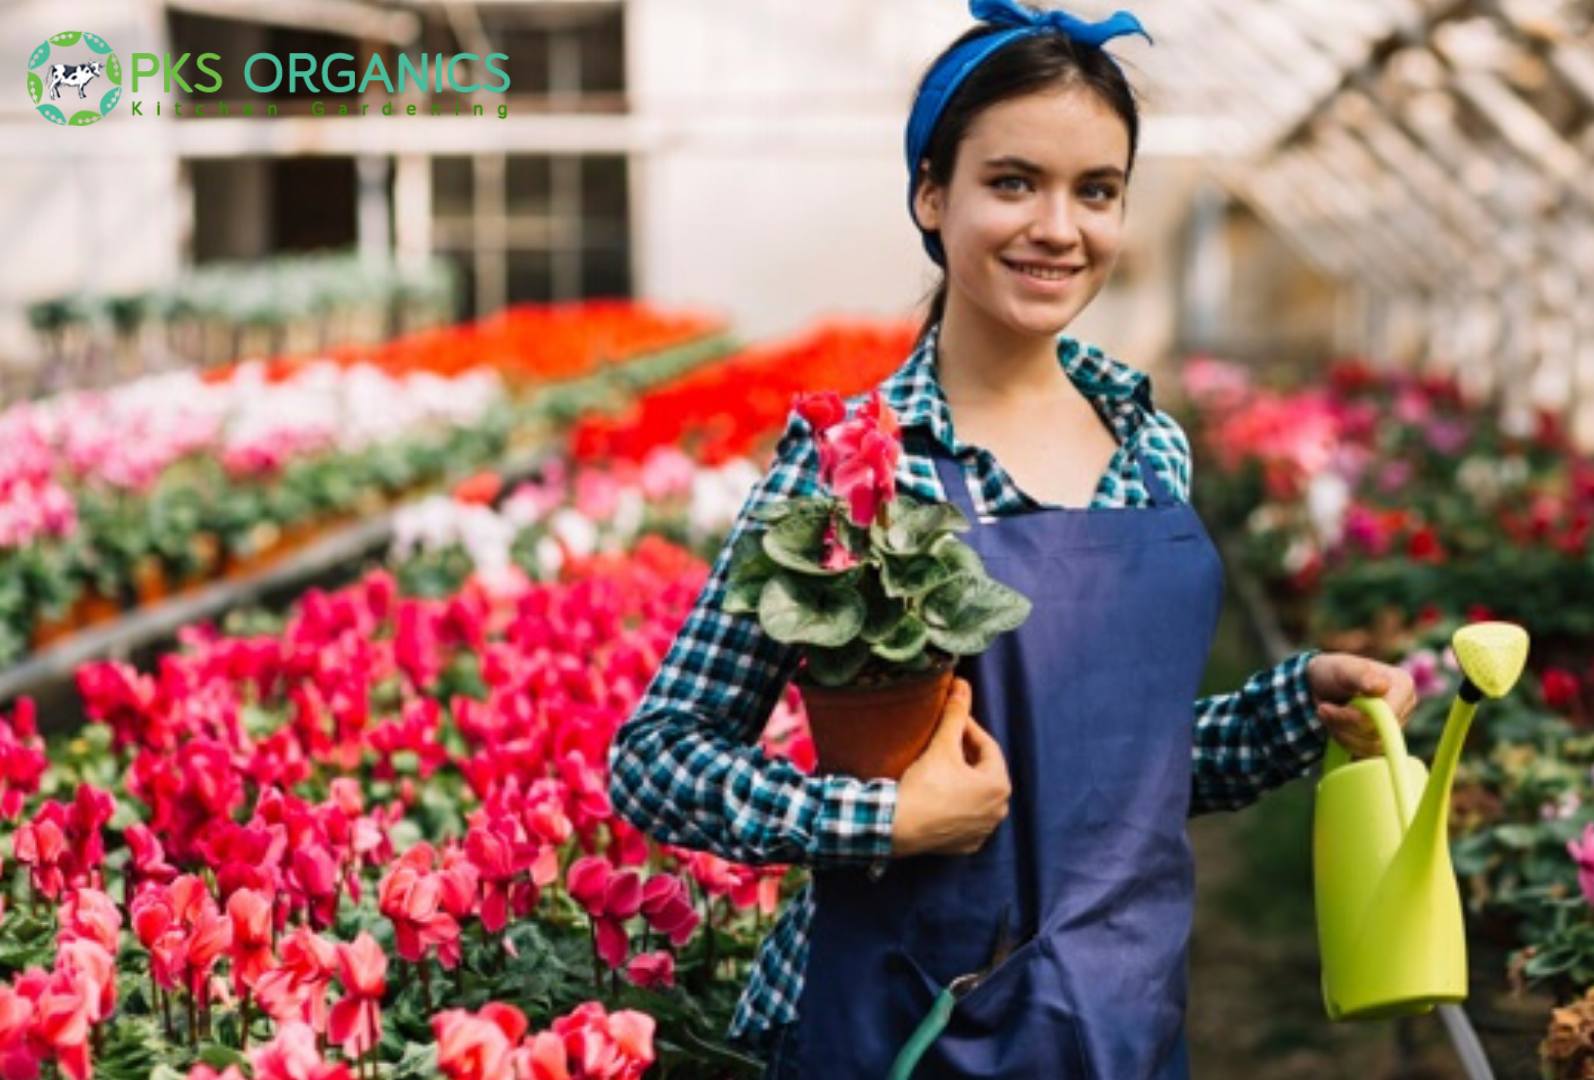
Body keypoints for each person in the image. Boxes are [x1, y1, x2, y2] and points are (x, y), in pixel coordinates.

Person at [608, 2, 1418, 1076]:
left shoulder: (1150, 449)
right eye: (1012, 182)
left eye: (1097, 191)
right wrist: (882, 819)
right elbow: (656, 757)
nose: (1058, 228)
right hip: (909, 1021)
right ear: (931, 196)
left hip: (1117, 1017)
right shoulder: (860, 467)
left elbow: (1121, 771)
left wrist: (1291, 706)